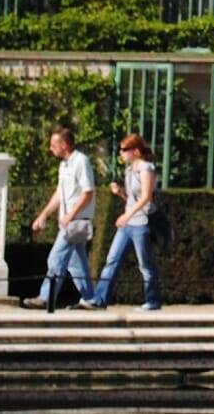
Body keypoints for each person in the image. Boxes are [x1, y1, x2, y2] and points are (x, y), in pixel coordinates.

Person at [86, 131, 161, 311]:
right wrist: (120, 192)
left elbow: (146, 198)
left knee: (145, 264)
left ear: (135, 151)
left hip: (142, 223)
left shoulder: (146, 169)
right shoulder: (129, 170)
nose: (121, 153)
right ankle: (100, 299)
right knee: (112, 260)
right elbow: (133, 199)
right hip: (128, 224)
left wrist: (127, 215)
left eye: (124, 149)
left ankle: (153, 301)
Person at [27, 126, 95, 311]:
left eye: (53, 145)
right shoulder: (64, 165)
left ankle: (45, 297)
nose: (51, 149)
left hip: (75, 222)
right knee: (76, 262)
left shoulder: (81, 161)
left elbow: (88, 192)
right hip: (68, 222)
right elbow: (60, 193)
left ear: (64, 145)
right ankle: (91, 298)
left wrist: (70, 215)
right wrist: (44, 214)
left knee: (55, 258)